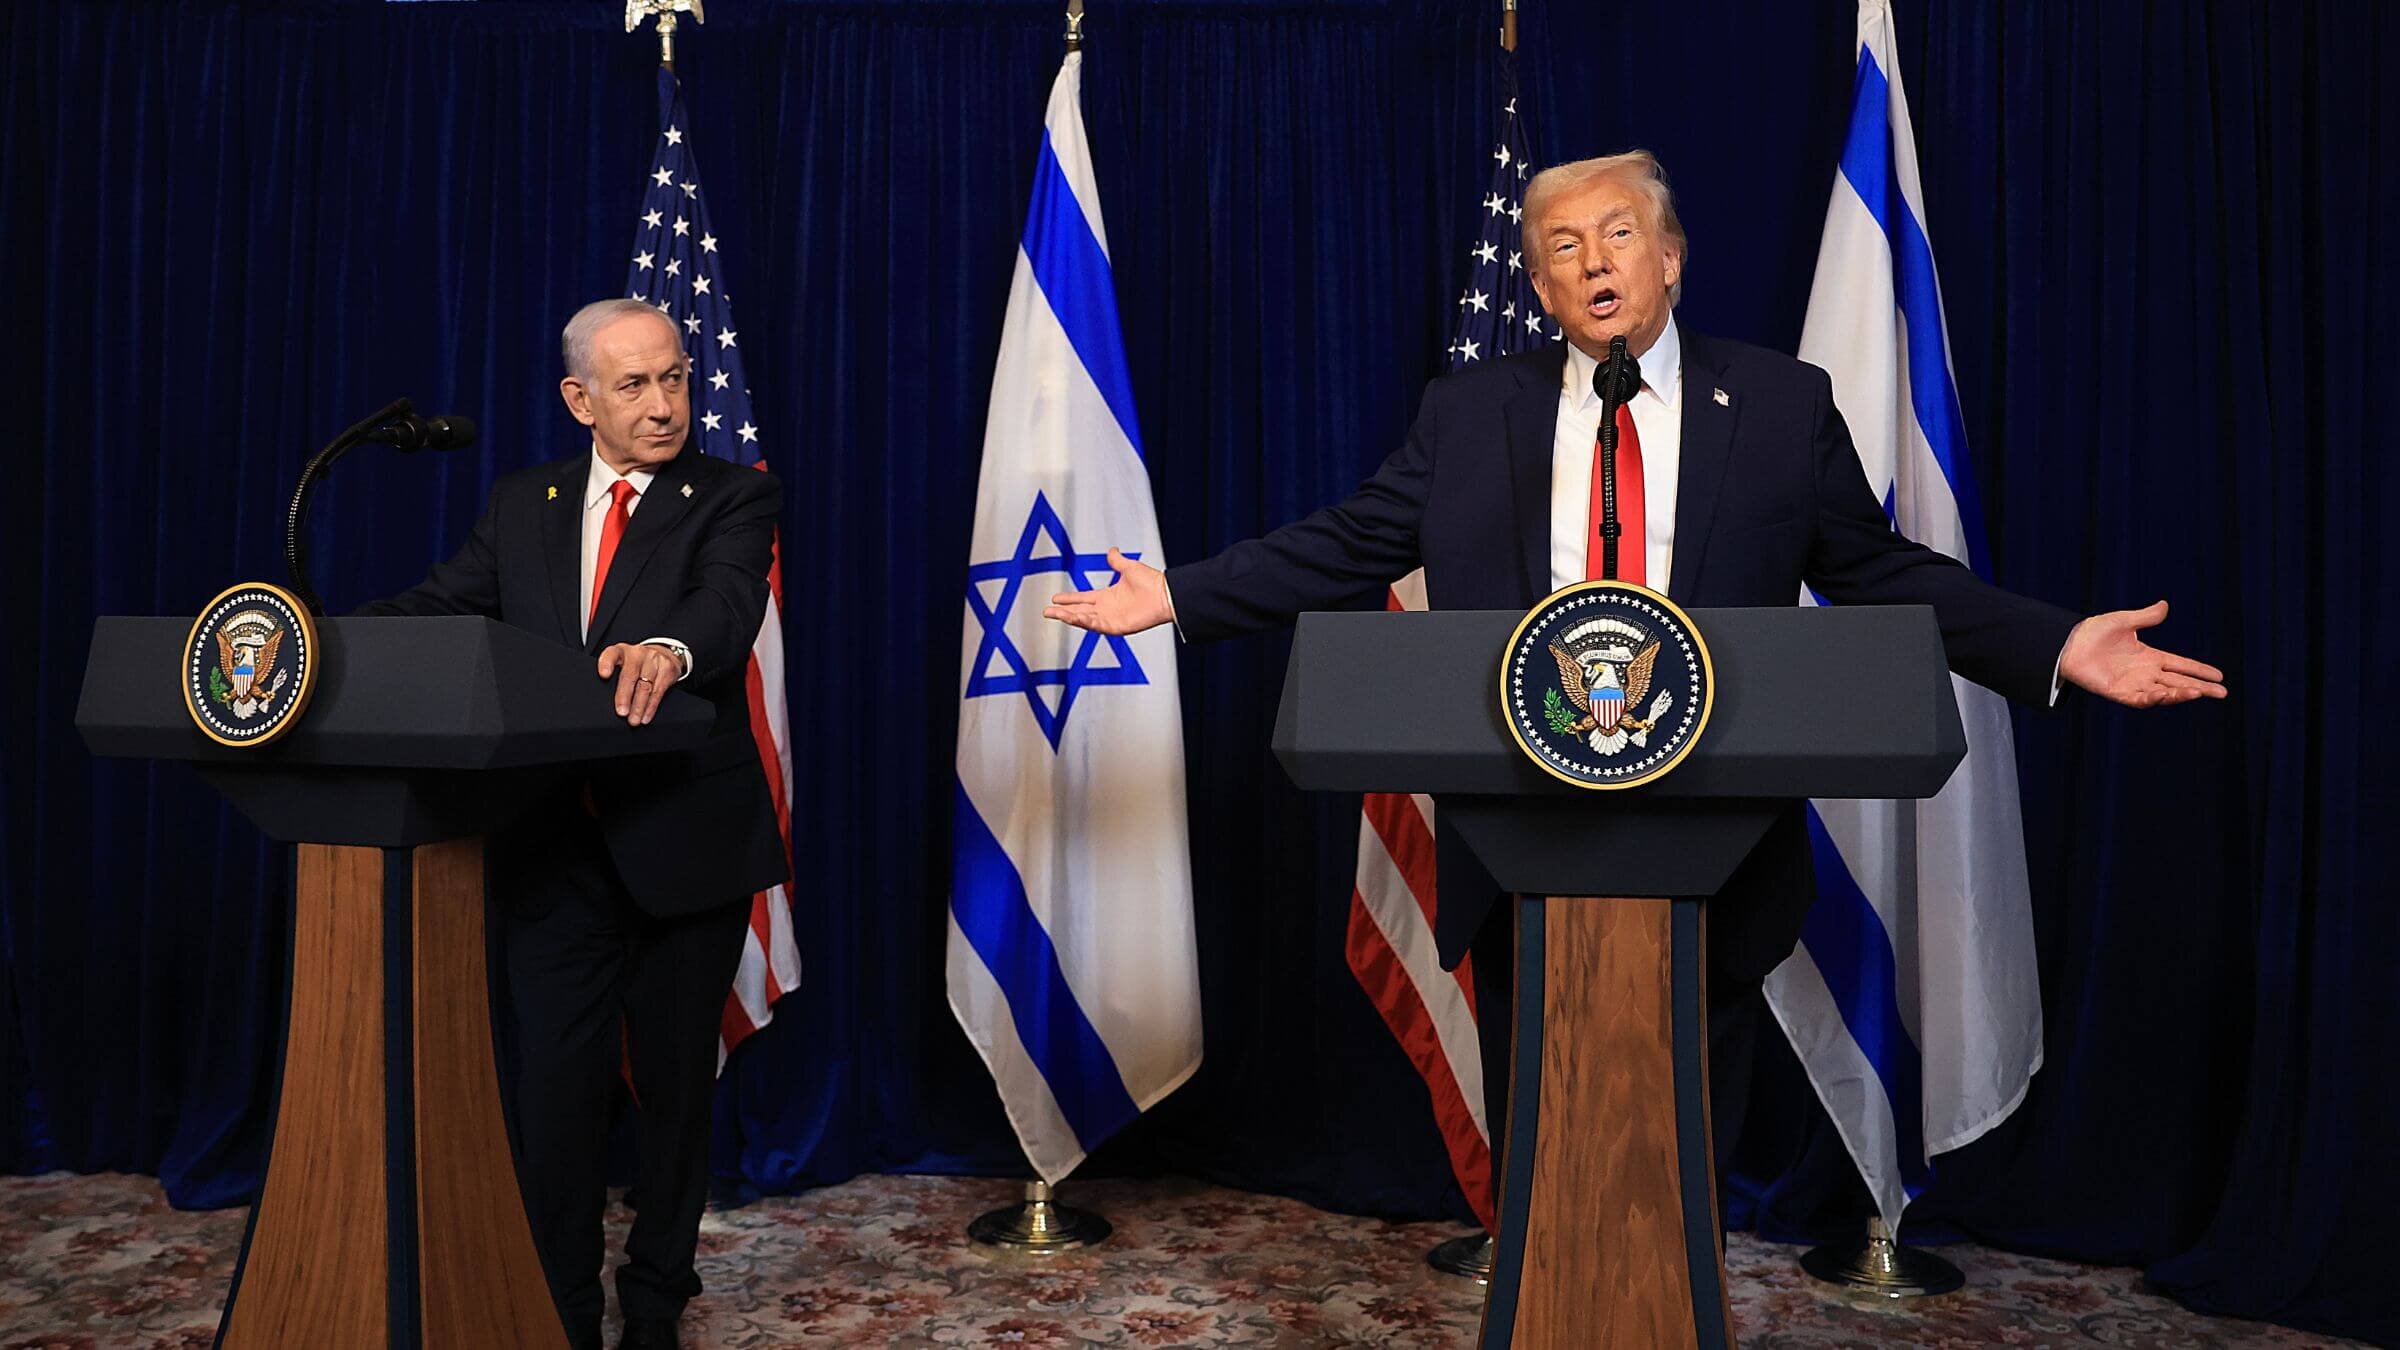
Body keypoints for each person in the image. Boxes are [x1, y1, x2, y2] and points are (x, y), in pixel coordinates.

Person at [1043, 150, 2225, 1183]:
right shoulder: (1470, 415)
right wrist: (1176, 596)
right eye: (1562, 247)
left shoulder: (1776, 405)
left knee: (1684, 1151)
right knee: (1544, 1147)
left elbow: (1883, 572)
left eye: (1618, 234)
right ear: (1543, 287)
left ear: (1670, 261)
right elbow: (1348, 543)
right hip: (1518, 834)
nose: (1594, 262)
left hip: (1714, 838)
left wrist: (2056, 643)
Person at [359, 298, 785, 1350]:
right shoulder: (523, 504)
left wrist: (669, 652)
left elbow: (726, 607)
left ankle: (653, 1313)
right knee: (555, 1099)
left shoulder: (732, 495)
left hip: (685, 841)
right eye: (634, 385)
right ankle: (558, 1314)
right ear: (579, 399)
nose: (662, 403)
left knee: (680, 1097)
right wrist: (313, 642)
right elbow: (440, 606)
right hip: (552, 848)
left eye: (675, 378)